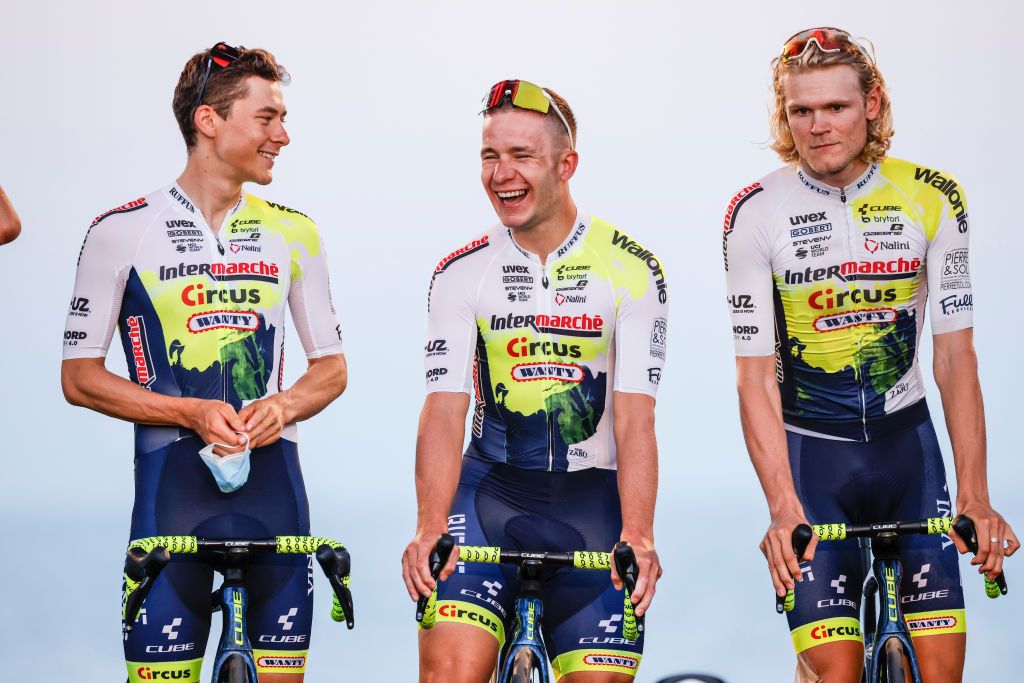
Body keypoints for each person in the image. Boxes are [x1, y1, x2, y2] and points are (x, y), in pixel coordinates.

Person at [723, 27, 1019, 682]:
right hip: (813, 465)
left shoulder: (934, 196)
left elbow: (955, 358)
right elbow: (753, 378)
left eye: (835, 107)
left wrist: (975, 493)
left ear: (873, 103)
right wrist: (781, 507)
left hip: (908, 457)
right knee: (835, 671)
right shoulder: (755, 211)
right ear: (785, 115)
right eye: (802, 111)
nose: (818, 126)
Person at [62, 42, 346, 683]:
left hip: (276, 492)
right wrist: (186, 410)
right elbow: (78, 377)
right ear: (209, 121)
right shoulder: (120, 231)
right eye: (267, 118)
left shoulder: (294, 232)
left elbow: (330, 367)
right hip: (170, 495)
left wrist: (284, 404)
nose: (283, 135)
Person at [401, 79, 668, 682]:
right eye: (490, 156)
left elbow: (634, 416)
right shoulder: (461, 271)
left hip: (593, 506)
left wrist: (640, 534)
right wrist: (428, 526)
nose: (502, 174)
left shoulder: (630, 268)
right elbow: (443, 409)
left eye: (521, 156)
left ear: (566, 163)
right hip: (488, 497)